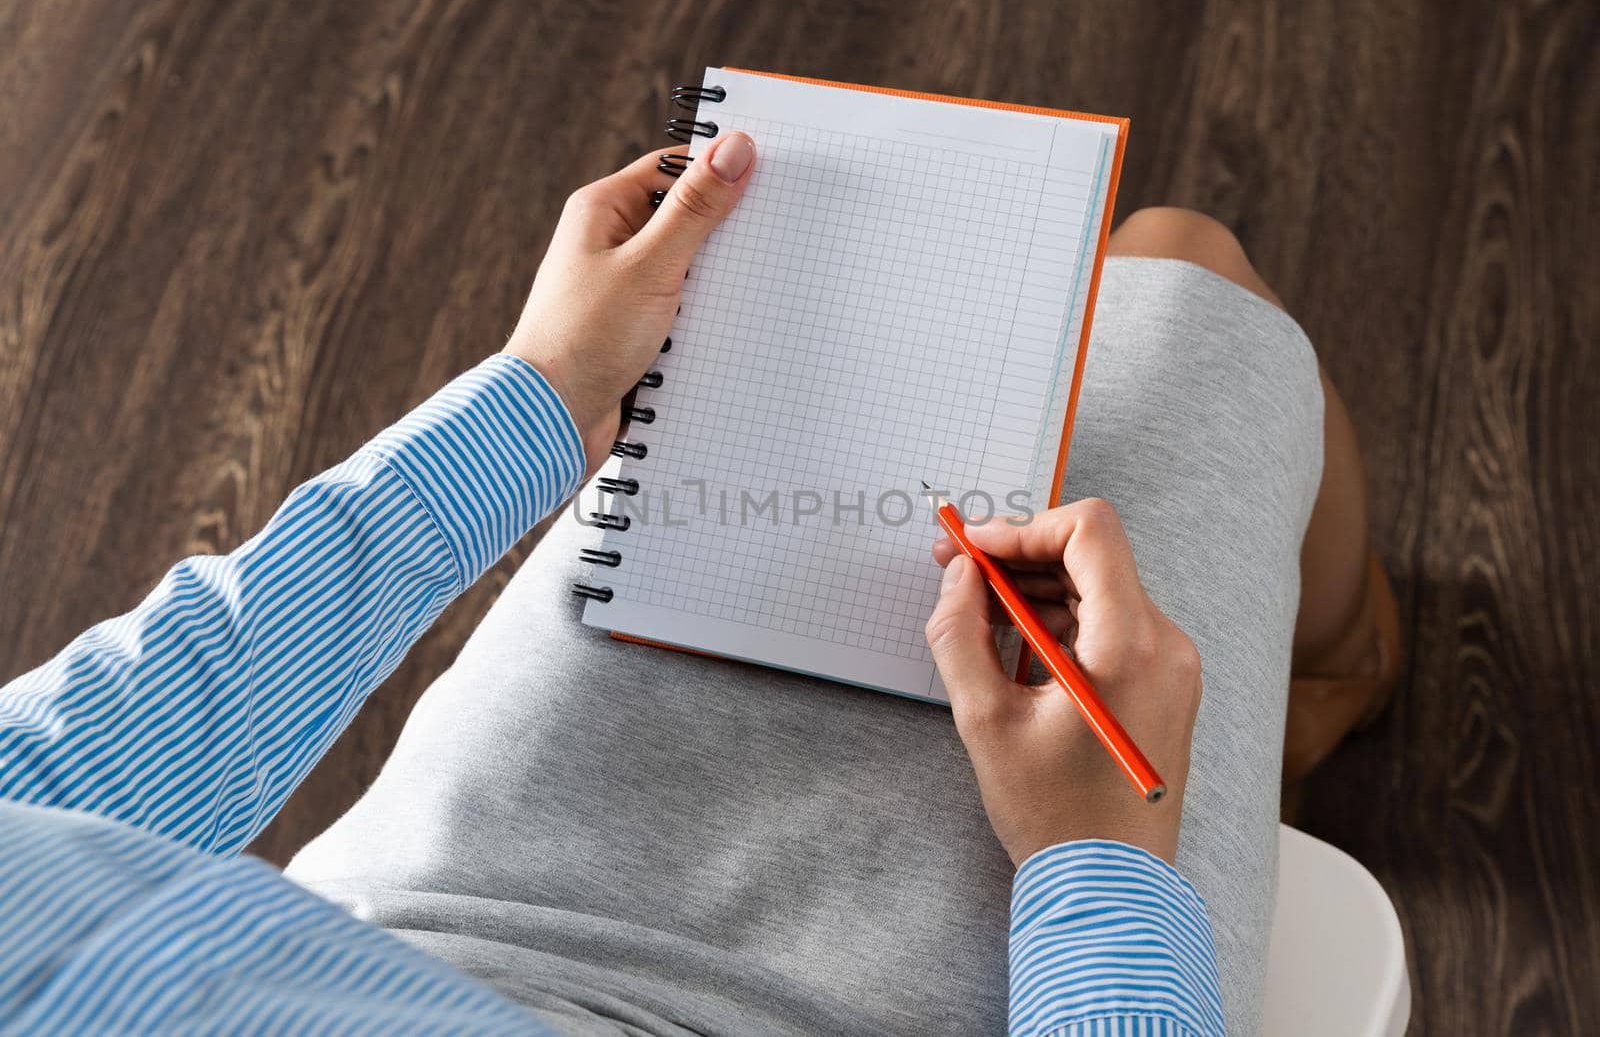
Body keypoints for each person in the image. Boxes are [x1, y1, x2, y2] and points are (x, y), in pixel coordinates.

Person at [0, 132, 1397, 1035]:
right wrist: (1098, 867)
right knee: (1182, 262)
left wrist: (542, 401)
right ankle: (1335, 668)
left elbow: (50, 778)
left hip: (416, 920)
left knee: (1114, 306)